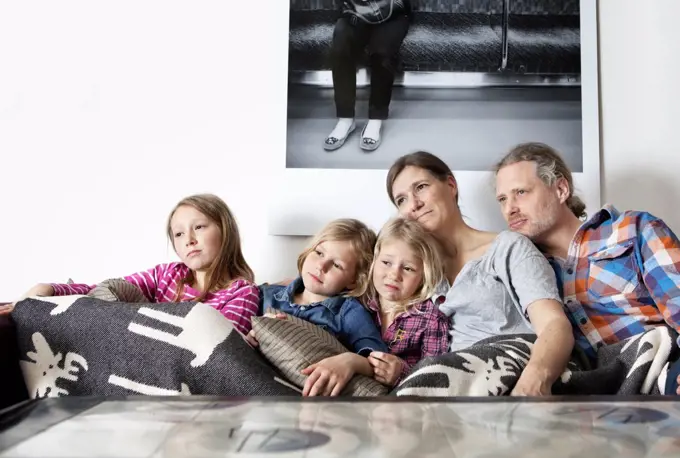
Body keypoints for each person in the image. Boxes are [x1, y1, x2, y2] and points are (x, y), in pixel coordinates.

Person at [493, 141, 680, 395]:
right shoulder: (523, 270)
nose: (509, 209)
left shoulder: (634, 229)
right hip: (592, 395)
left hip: (663, 366)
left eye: (521, 193)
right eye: (502, 199)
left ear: (560, 189)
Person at [386, 151, 575, 396]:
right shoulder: (415, 272)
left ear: (451, 185)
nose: (413, 204)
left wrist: (533, 384)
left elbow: (554, 324)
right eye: (401, 200)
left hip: (512, 369)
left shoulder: (507, 247)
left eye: (421, 187)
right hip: (457, 389)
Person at [1, 194, 260, 335]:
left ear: (225, 230)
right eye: (179, 234)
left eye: (200, 227)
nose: (189, 240)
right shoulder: (166, 275)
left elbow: (222, 347)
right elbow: (107, 290)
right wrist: (51, 289)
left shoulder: (242, 291)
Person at [248, 218, 389, 397]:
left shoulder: (348, 312)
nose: (321, 266)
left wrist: (349, 362)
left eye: (337, 265)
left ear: (354, 281)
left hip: (306, 394)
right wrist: (249, 337)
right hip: (257, 385)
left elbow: (378, 360)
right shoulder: (266, 295)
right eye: (319, 253)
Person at [364, 217, 450, 388]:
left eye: (408, 268)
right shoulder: (359, 304)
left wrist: (401, 372)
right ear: (374, 260)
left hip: (403, 399)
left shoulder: (431, 319)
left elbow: (433, 377)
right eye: (386, 262)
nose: (394, 275)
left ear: (422, 276)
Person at [323, 0, 412, 152]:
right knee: (341, 46)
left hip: (392, 12)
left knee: (383, 53)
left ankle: (375, 119)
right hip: (355, 9)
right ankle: (345, 119)